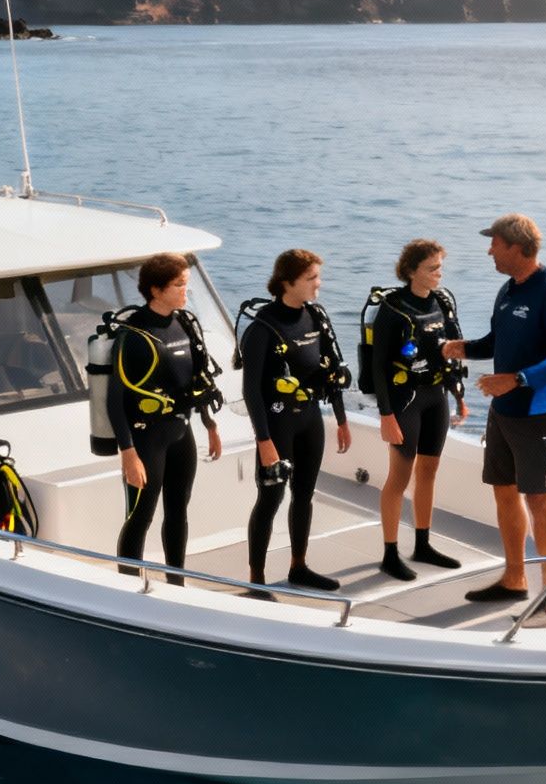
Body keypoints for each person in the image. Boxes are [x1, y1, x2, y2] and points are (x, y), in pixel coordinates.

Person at [443, 214, 546, 621]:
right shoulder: (507, 290)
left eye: (496, 243)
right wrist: (462, 348)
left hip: (537, 413)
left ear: (518, 247)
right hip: (502, 412)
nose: (489, 250)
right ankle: (514, 579)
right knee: (503, 491)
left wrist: (517, 380)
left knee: (539, 499)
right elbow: (496, 342)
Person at [239, 249, 353, 592]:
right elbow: (252, 392)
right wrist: (264, 442)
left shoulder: (315, 316)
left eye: (318, 276)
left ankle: (298, 566)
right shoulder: (262, 329)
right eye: (311, 278)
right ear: (287, 282)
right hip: (277, 424)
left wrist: (341, 417)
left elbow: (330, 370)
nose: (319, 284)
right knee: (271, 499)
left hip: (309, 419)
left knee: (304, 494)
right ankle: (256, 580)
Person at [108, 253, 223, 584]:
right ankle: (126, 586)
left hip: (180, 432)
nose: (185, 290)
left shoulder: (184, 322)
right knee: (140, 516)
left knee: (178, 512)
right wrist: (128, 453)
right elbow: (114, 401)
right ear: (156, 290)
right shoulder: (133, 335)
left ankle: (176, 583)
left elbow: (197, 381)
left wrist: (209, 424)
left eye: (186, 283)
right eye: (179, 284)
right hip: (146, 439)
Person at [372, 238, 469, 581]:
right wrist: (386, 415)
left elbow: (453, 349)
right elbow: (378, 365)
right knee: (399, 477)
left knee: (428, 471)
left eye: (440, 266)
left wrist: (459, 394)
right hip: (405, 401)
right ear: (411, 271)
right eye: (432, 268)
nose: (438, 274)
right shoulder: (393, 309)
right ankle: (390, 553)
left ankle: (423, 544)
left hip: (436, 397)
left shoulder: (442, 302)